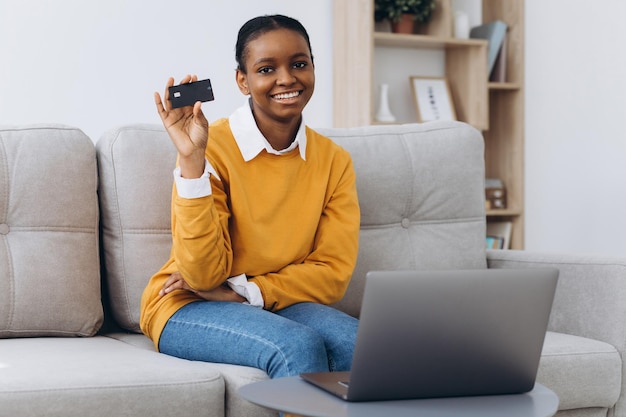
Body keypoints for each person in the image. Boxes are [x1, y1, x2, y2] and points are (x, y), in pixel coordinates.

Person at [140, 14, 360, 380]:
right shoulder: (215, 146)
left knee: (360, 344)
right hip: (187, 304)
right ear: (243, 81)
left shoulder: (334, 161)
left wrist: (249, 292)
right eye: (266, 69)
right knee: (297, 346)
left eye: (299, 64)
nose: (287, 78)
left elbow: (332, 272)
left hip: (267, 299)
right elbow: (201, 274)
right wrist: (192, 160)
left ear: (313, 69)